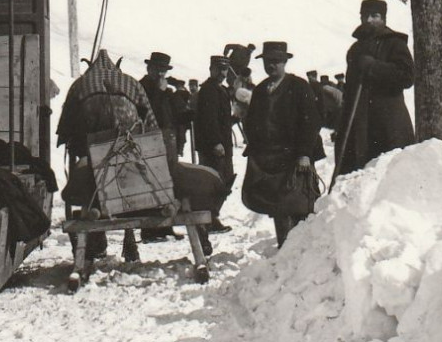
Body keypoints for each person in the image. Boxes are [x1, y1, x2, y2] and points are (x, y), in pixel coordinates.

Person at [57, 49, 152, 262]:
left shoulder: (80, 85)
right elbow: (150, 118)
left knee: (90, 180)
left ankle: (95, 239)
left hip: (90, 149)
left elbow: (65, 127)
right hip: (126, 147)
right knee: (126, 185)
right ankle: (129, 239)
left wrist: (69, 139)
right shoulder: (131, 83)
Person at [241, 41, 325, 247]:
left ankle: (300, 251)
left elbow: (311, 122)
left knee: (298, 204)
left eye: (276, 61)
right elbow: (251, 122)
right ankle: (284, 248)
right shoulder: (260, 90)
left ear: (285, 62)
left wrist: (305, 153)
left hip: (295, 157)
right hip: (269, 159)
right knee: (277, 205)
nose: (272, 65)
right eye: (268, 61)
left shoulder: (298, 86)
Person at [335, 0, 416, 180]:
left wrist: (374, 67)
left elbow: (407, 77)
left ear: (384, 18)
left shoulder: (395, 44)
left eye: (375, 16)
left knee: (388, 175)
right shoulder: (355, 49)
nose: (369, 20)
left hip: (387, 123)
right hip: (358, 121)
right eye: (365, 16)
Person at [189, 54, 238, 246]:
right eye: (219, 69)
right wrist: (216, 142)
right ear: (211, 69)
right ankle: (208, 218)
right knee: (216, 182)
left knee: (224, 180)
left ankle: (210, 217)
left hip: (223, 144)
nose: (222, 73)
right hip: (214, 146)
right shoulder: (209, 90)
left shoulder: (220, 90)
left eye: (225, 70)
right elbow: (209, 119)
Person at [139, 52, 182, 241]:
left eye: (163, 70)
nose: (160, 73)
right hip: (149, 138)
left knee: (169, 181)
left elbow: (175, 112)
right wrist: (161, 91)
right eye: (157, 69)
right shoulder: (142, 87)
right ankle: (150, 229)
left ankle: (166, 225)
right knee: (152, 182)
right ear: (149, 69)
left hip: (167, 137)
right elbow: (146, 111)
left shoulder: (165, 89)